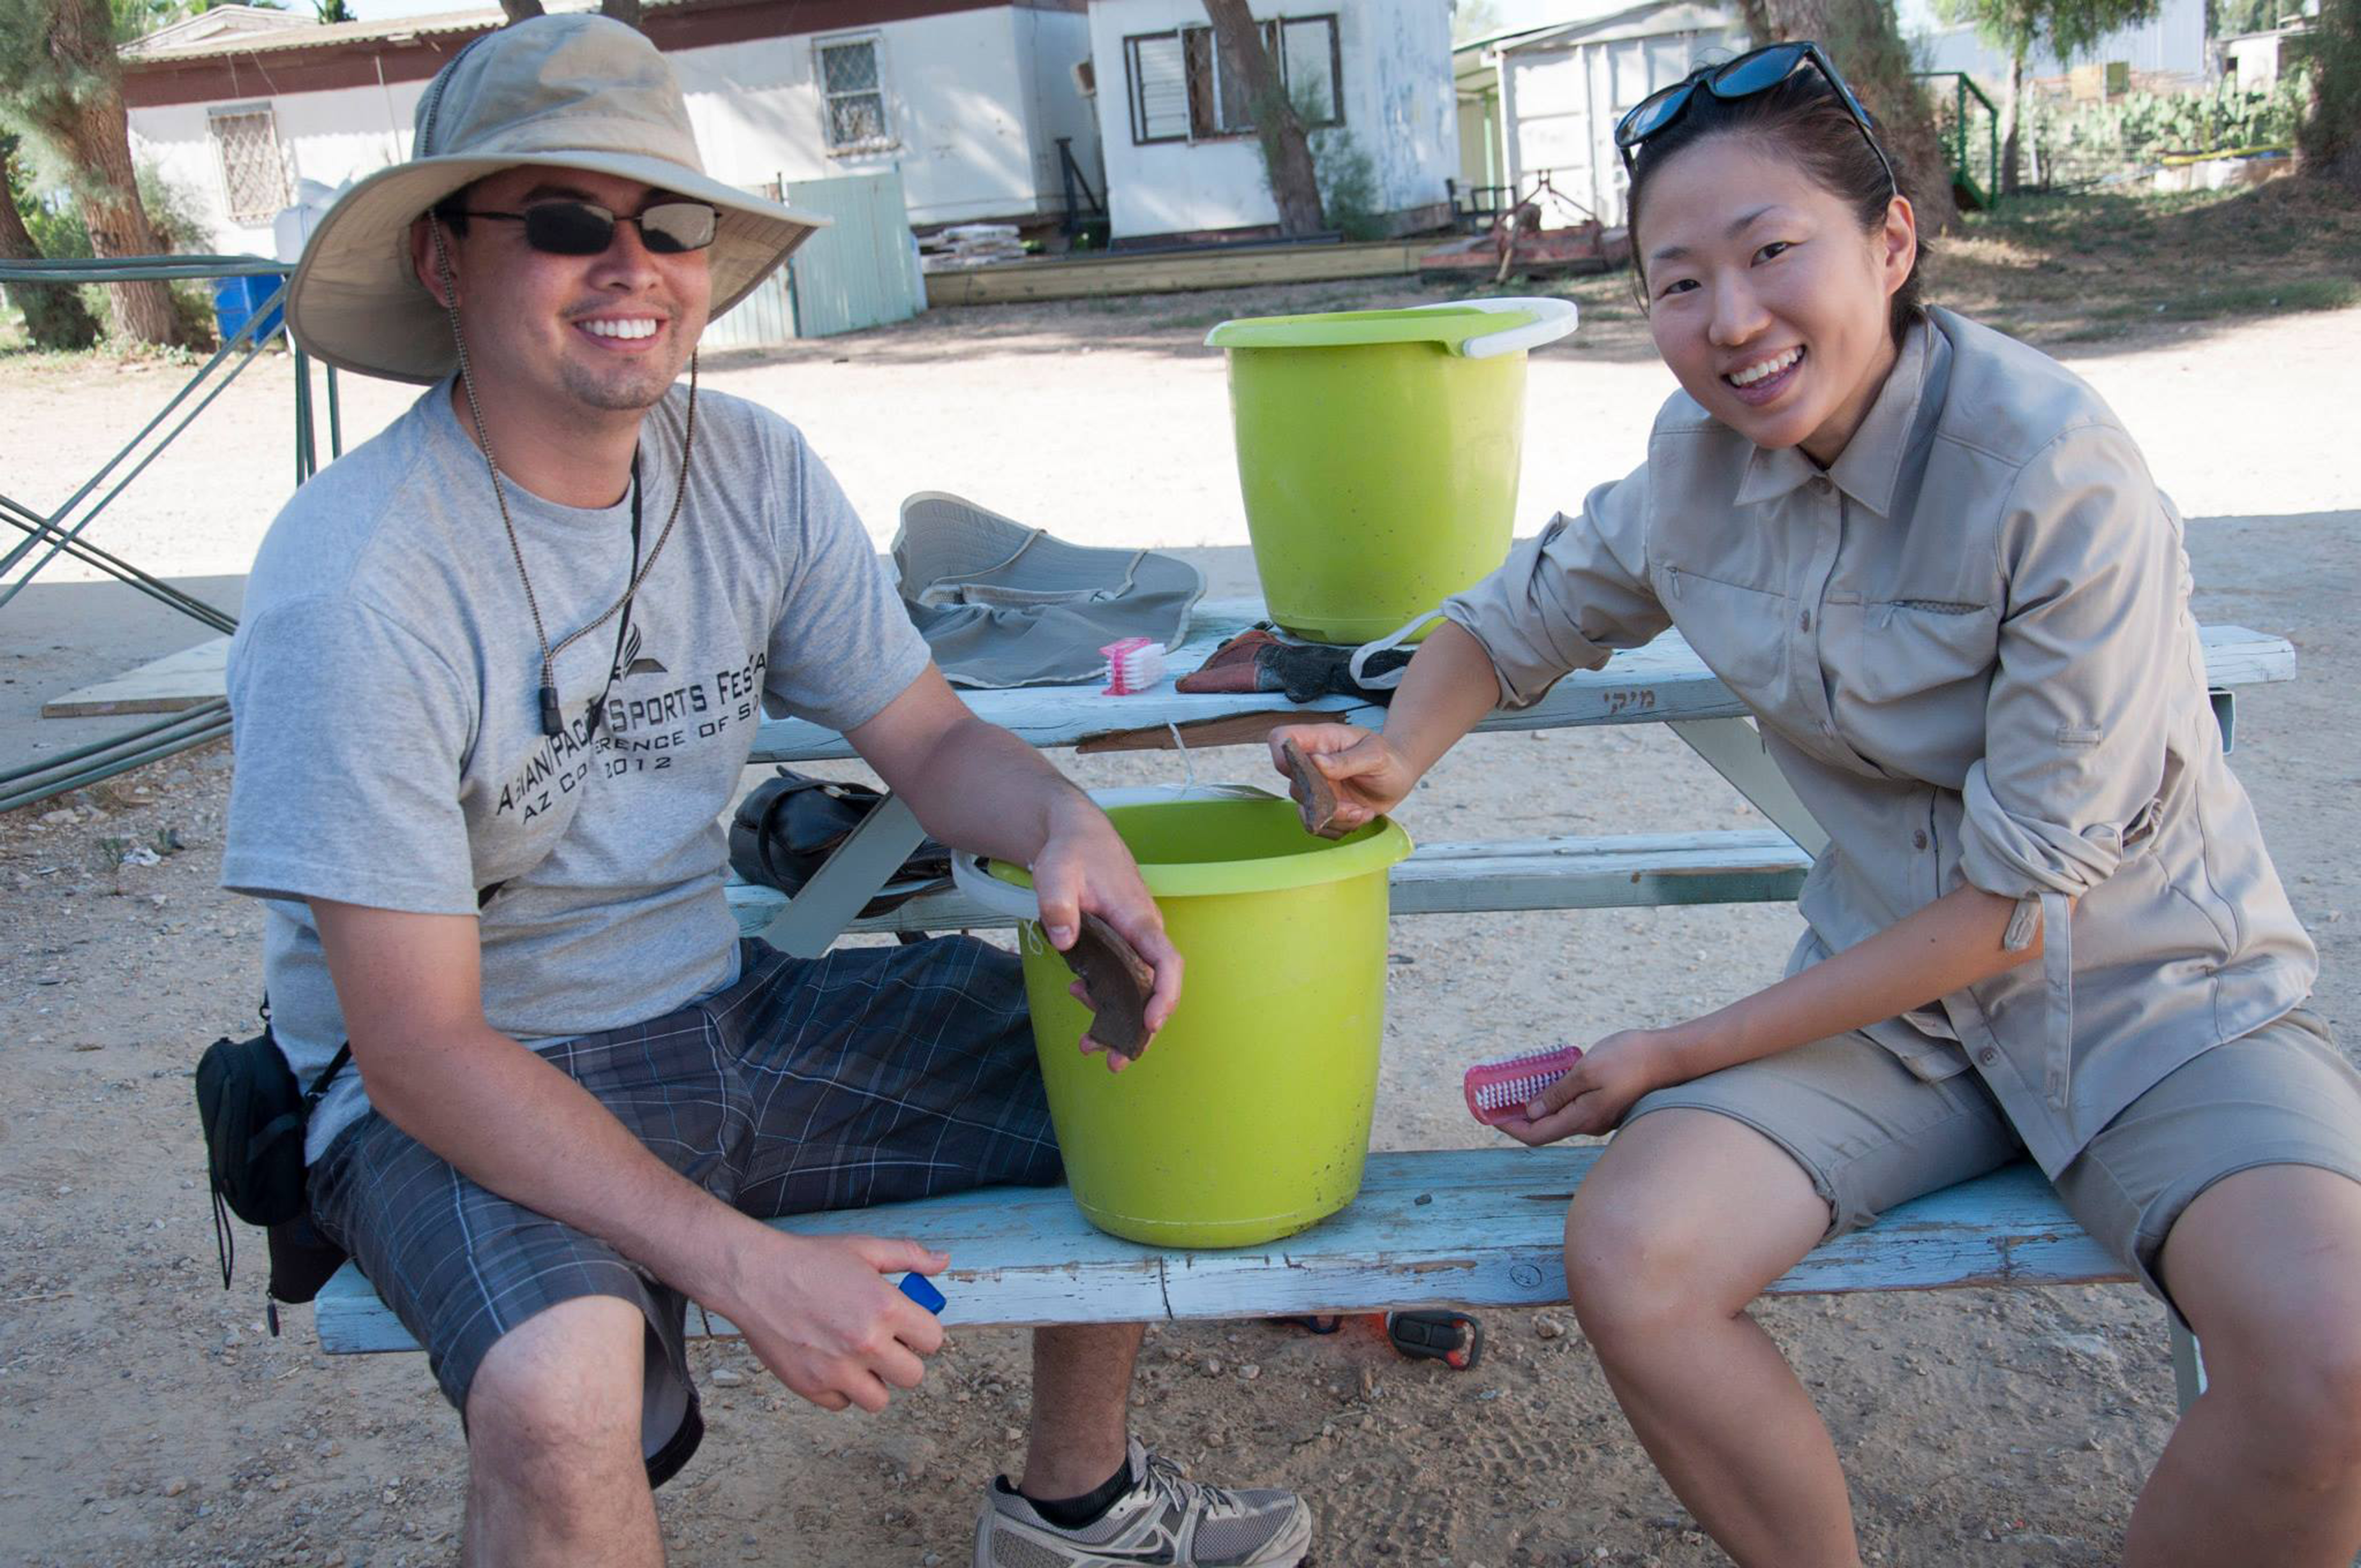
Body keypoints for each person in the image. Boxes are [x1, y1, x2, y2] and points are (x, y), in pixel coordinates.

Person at [220, 17, 1311, 1568]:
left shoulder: (749, 465)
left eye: (667, 223)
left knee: (1139, 1054)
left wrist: (1068, 823)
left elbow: (931, 747)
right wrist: (743, 1267)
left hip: (719, 1016)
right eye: (559, 221)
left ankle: (1078, 1507)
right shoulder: (357, 581)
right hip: (452, 1086)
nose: (630, 263)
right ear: (446, 264)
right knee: (557, 1392)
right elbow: (416, 1045)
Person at [1271, 42, 2361, 1568]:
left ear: (1893, 241)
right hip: (1896, 1022)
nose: (1730, 323)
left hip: (2155, 997)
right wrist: (1397, 753)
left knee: (2333, 1353)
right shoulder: (1693, 465)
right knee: (1634, 1251)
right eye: (1674, 282)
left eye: (1771, 252)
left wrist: (1678, 1049)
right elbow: (1513, 617)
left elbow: (2010, 907)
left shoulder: (2053, 471)